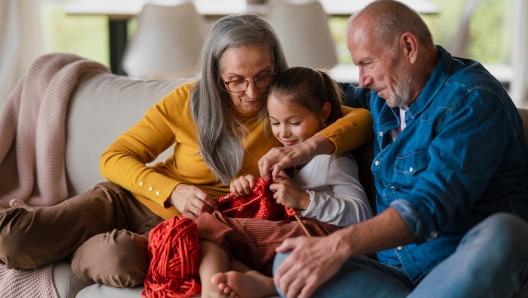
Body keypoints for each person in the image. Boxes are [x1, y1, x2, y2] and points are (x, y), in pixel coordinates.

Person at [0, 14, 373, 288]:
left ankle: (71, 249)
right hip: (129, 200)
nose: (252, 92)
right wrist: (172, 191)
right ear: (216, 76)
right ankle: (63, 238)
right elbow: (113, 157)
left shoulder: (284, 111)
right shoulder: (186, 102)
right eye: (236, 81)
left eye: (263, 75)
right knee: (15, 242)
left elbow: (361, 120)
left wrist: (302, 150)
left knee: (120, 261)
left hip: (179, 230)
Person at [268, 1, 528, 297]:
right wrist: (253, 84)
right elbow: (315, 94)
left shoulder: (473, 100)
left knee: (508, 235)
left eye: (367, 63)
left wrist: (337, 246)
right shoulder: (384, 95)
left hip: (457, 267)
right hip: (396, 278)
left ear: (408, 47)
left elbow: (429, 206)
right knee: (289, 259)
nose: (363, 79)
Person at [196, 66, 373, 298]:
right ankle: (263, 282)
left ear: (324, 112)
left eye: (294, 122)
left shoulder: (334, 159)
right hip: (296, 228)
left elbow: (364, 216)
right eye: (276, 123)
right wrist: (246, 188)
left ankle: (212, 292)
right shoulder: (286, 156)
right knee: (213, 226)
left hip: (324, 237)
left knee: (209, 225)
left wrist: (305, 199)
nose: (284, 133)